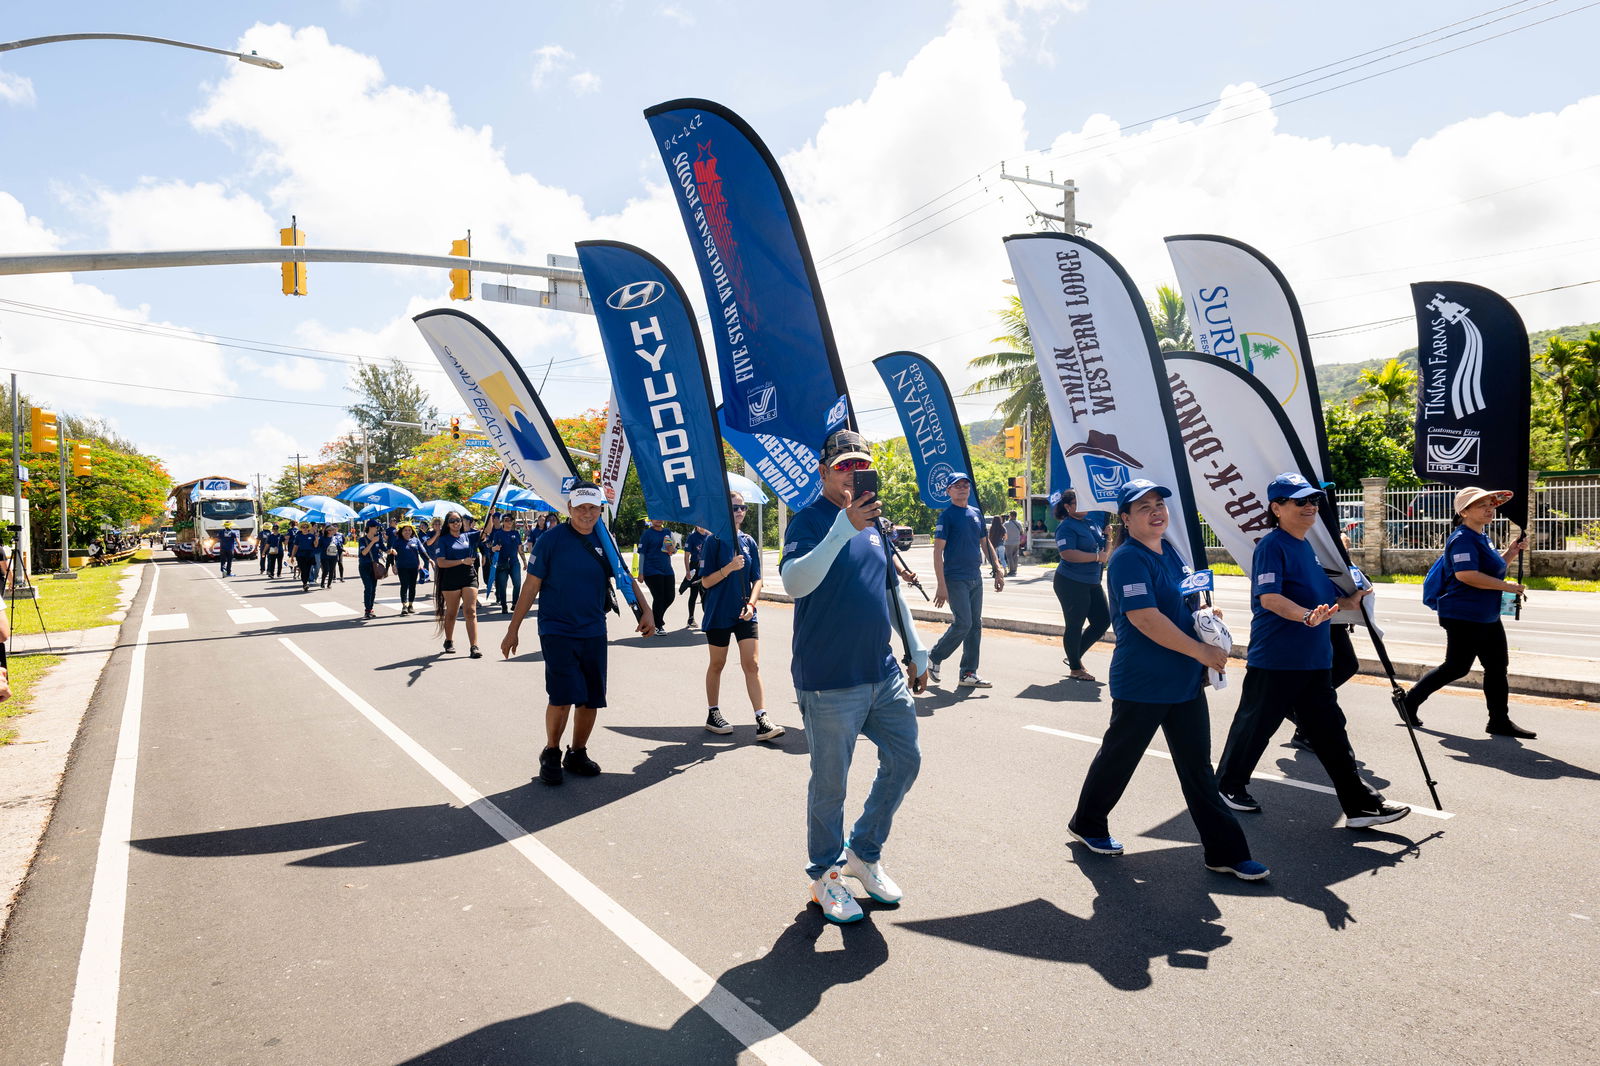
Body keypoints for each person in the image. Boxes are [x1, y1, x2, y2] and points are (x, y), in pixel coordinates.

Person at [1066, 479, 1267, 881]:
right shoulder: (1128, 559)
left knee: (1197, 770)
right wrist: (1202, 651)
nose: (1156, 512)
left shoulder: (1172, 551)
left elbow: (1183, 601)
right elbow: (1144, 618)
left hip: (1184, 681)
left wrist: (1208, 618)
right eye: (1144, 508)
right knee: (1119, 760)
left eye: (1159, 504)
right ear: (1125, 519)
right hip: (1143, 683)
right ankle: (1088, 823)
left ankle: (1225, 852)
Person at [781, 429, 928, 925]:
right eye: (843, 465)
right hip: (829, 679)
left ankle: (864, 851)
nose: (852, 472)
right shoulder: (810, 521)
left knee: (905, 759)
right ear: (823, 472)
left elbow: (890, 592)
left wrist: (916, 649)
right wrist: (843, 527)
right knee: (830, 785)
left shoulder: (875, 522)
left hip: (881, 672)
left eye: (860, 464)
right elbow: (795, 582)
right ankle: (826, 874)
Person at [1215, 474, 1410, 829]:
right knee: (1255, 726)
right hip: (1278, 657)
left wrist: (1347, 602)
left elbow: (1317, 600)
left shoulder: (1306, 546)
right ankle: (1228, 785)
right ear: (1277, 508)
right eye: (1299, 502)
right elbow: (1270, 598)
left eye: (1313, 501)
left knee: (1332, 733)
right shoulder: (1272, 546)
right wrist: (1305, 616)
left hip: (1314, 658)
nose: (1310, 507)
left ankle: (1360, 805)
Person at [504, 482, 654, 785]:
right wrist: (513, 629)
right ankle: (551, 752)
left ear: (600, 509)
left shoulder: (604, 539)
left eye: (593, 508)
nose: (587, 513)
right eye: (581, 507)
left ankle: (577, 752)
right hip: (557, 628)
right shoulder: (550, 540)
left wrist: (647, 610)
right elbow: (531, 586)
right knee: (562, 696)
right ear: (570, 509)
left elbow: (624, 576)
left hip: (593, 629)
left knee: (590, 698)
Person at [1404, 487, 1535, 738]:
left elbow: (1491, 569)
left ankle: (1498, 720)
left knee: (1497, 667)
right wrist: (1507, 587)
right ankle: (1409, 701)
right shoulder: (1462, 538)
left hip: (1486, 614)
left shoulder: (1482, 536)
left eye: (1491, 504)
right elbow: (1467, 575)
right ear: (1464, 512)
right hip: (1463, 615)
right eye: (1481, 505)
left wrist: (1511, 552)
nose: (1490, 509)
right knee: (1456, 667)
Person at [699, 493, 784, 741]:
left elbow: (757, 578)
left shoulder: (748, 541)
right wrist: (728, 568)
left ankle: (762, 718)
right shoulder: (713, 541)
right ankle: (712, 713)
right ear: (725, 510)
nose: (739, 511)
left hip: (744, 613)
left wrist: (752, 604)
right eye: (734, 507)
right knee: (717, 663)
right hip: (718, 612)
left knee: (752, 664)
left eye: (743, 507)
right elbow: (705, 581)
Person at [927, 472, 1003, 689]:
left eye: (965, 485)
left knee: (975, 626)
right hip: (955, 579)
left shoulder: (976, 513)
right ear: (948, 491)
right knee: (964, 623)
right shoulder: (947, 516)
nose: (962, 488)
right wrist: (941, 585)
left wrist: (997, 569)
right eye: (956, 486)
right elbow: (937, 551)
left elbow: (985, 543)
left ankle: (968, 673)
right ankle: (934, 656)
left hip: (975, 577)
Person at [1052, 490, 1111, 682]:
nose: (1083, 506)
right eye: (1077, 503)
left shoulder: (1091, 523)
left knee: (1103, 621)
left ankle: (1073, 657)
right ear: (1067, 507)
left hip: (1092, 581)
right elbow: (1067, 553)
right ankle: (1076, 668)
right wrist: (1096, 557)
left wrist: (1108, 538)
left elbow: (1103, 552)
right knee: (1075, 625)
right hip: (1071, 582)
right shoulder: (1066, 527)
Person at [432, 511, 483, 657]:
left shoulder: (468, 536)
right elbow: (441, 563)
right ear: (447, 524)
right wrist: (462, 561)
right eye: (453, 521)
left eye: (458, 520)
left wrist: (490, 516)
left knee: (470, 611)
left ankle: (474, 646)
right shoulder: (443, 540)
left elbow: (487, 531)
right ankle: (449, 641)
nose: (456, 523)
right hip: (450, 579)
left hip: (469, 577)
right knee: (452, 613)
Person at [637, 518, 677, 632]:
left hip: (667, 570)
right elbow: (642, 554)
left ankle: (653, 619)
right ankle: (658, 626)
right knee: (659, 598)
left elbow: (672, 550)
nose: (659, 520)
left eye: (661, 517)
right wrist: (641, 573)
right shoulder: (647, 534)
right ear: (651, 519)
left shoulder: (668, 532)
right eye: (656, 518)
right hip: (651, 570)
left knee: (670, 597)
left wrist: (672, 549)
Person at [486, 513, 525, 614]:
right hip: (502, 563)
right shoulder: (498, 534)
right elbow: (492, 549)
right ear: (502, 521)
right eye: (507, 520)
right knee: (502, 586)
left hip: (514, 563)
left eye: (511, 520)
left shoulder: (516, 533)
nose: (509, 522)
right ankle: (504, 605)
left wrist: (525, 562)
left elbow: (520, 549)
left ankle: (515, 603)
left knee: (517, 584)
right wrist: (495, 548)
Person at [357, 521, 390, 620]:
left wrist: (392, 550)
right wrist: (372, 542)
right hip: (364, 566)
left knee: (373, 588)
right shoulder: (362, 540)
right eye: (376, 527)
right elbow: (363, 552)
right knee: (368, 587)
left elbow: (385, 549)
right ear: (370, 527)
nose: (377, 529)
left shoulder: (378, 539)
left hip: (374, 567)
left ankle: (370, 609)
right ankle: (367, 611)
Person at [391, 523, 424, 614]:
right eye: (405, 530)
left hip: (414, 567)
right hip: (402, 567)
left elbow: (422, 552)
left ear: (412, 531)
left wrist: (429, 560)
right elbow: (391, 553)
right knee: (404, 585)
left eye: (409, 530)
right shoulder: (397, 541)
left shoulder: (416, 540)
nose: (407, 532)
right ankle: (404, 606)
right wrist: (393, 565)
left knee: (412, 586)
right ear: (401, 532)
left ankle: (410, 605)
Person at [682, 525, 709, 630]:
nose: (701, 526)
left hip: (706, 568)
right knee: (694, 594)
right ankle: (691, 618)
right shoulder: (692, 537)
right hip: (695, 567)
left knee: (705, 594)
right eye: (699, 524)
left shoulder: (709, 536)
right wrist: (688, 571)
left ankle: (707, 618)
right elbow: (686, 556)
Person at [292, 522, 317, 591]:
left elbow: (315, 545)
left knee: (308, 570)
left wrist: (316, 537)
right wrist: (292, 556)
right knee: (303, 570)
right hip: (301, 555)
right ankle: (305, 583)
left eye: (306, 527)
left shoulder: (312, 536)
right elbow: (295, 547)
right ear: (301, 529)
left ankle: (305, 583)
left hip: (310, 555)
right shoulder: (298, 536)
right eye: (303, 527)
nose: (305, 528)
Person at [1003, 511, 1024, 577]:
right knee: (1015, 556)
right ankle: (1015, 570)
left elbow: (1003, 532)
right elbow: (1022, 532)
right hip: (1017, 542)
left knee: (1009, 557)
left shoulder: (1006, 524)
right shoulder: (1019, 523)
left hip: (1008, 542)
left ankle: (1011, 570)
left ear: (1010, 516)